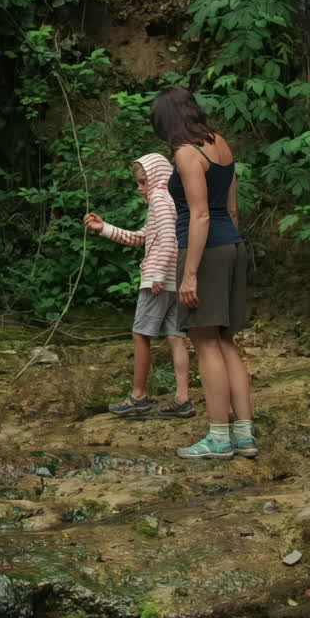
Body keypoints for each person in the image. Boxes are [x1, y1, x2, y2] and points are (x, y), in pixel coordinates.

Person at [150, 87, 257, 460]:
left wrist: (190, 272)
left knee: (206, 342)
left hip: (205, 251)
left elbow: (199, 214)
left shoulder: (186, 153)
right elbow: (232, 206)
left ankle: (218, 437)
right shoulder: (220, 144)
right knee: (226, 341)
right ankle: (243, 434)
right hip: (232, 245)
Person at [84, 152, 194, 419]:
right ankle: (183, 398)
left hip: (159, 278)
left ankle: (139, 396)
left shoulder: (158, 197)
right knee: (176, 337)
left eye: (143, 181)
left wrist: (157, 274)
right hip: (173, 279)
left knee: (140, 334)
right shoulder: (170, 200)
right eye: (139, 183)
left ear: (157, 177)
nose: (140, 188)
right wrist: (105, 228)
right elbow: (143, 238)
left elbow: (169, 238)